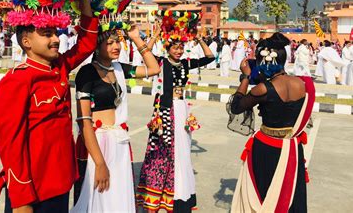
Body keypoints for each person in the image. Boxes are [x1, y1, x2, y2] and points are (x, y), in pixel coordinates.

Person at [0, 0, 97, 211]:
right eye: (47, 33)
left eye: (55, 32)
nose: (56, 39)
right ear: (26, 41)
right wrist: (21, 200)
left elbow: (88, 44)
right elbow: (11, 144)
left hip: (61, 181)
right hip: (32, 189)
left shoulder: (59, 67)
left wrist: (84, 1)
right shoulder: (16, 81)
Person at [72, 24, 160, 212]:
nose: (116, 46)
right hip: (95, 145)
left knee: (117, 199)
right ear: (95, 46)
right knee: (97, 199)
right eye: (109, 42)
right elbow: (84, 121)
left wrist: (136, 38)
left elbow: (153, 69)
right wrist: (100, 163)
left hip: (119, 142)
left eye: (118, 41)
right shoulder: (86, 73)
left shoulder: (119, 69)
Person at [228, 33, 315, 213]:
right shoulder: (303, 84)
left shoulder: (263, 89)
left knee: (265, 192)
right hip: (292, 147)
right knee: (290, 193)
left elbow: (236, 107)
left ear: (265, 62)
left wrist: (245, 76)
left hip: (268, 148)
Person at [136, 24, 215, 212]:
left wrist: (200, 40)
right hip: (164, 109)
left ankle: (180, 190)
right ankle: (158, 192)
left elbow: (211, 57)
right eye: (175, 47)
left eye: (181, 47)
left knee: (182, 149)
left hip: (182, 109)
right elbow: (144, 53)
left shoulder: (186, 63)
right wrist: (155, 35)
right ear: (167, 48)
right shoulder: (161, 62)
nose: (178, 51)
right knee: (164, 150)